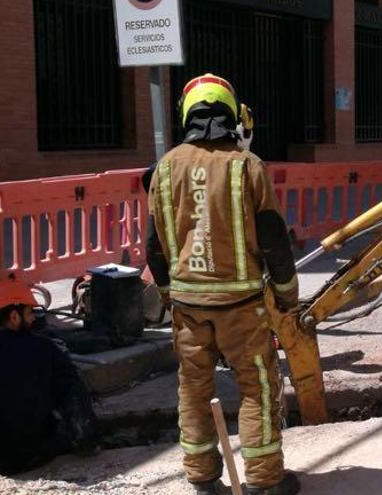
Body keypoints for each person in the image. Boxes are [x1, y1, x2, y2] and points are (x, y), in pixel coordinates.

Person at [145, 74, 300, 495]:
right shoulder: (246, 166)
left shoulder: (164, 169)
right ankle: (264, 483)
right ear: (231, 114)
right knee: (258, 387)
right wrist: (287, 295)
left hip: (187, 307)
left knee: (193, 388)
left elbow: (153, 247)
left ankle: (201, 476)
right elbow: (273, 240)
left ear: (186, 114)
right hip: (242, 308)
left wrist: (166, 295)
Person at [0, 273, 98, 475]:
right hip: (34, 453)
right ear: (14, 317)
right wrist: (86, 440)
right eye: (30, 311)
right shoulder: (44, 349)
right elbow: (73, 399)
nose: (34, 318)